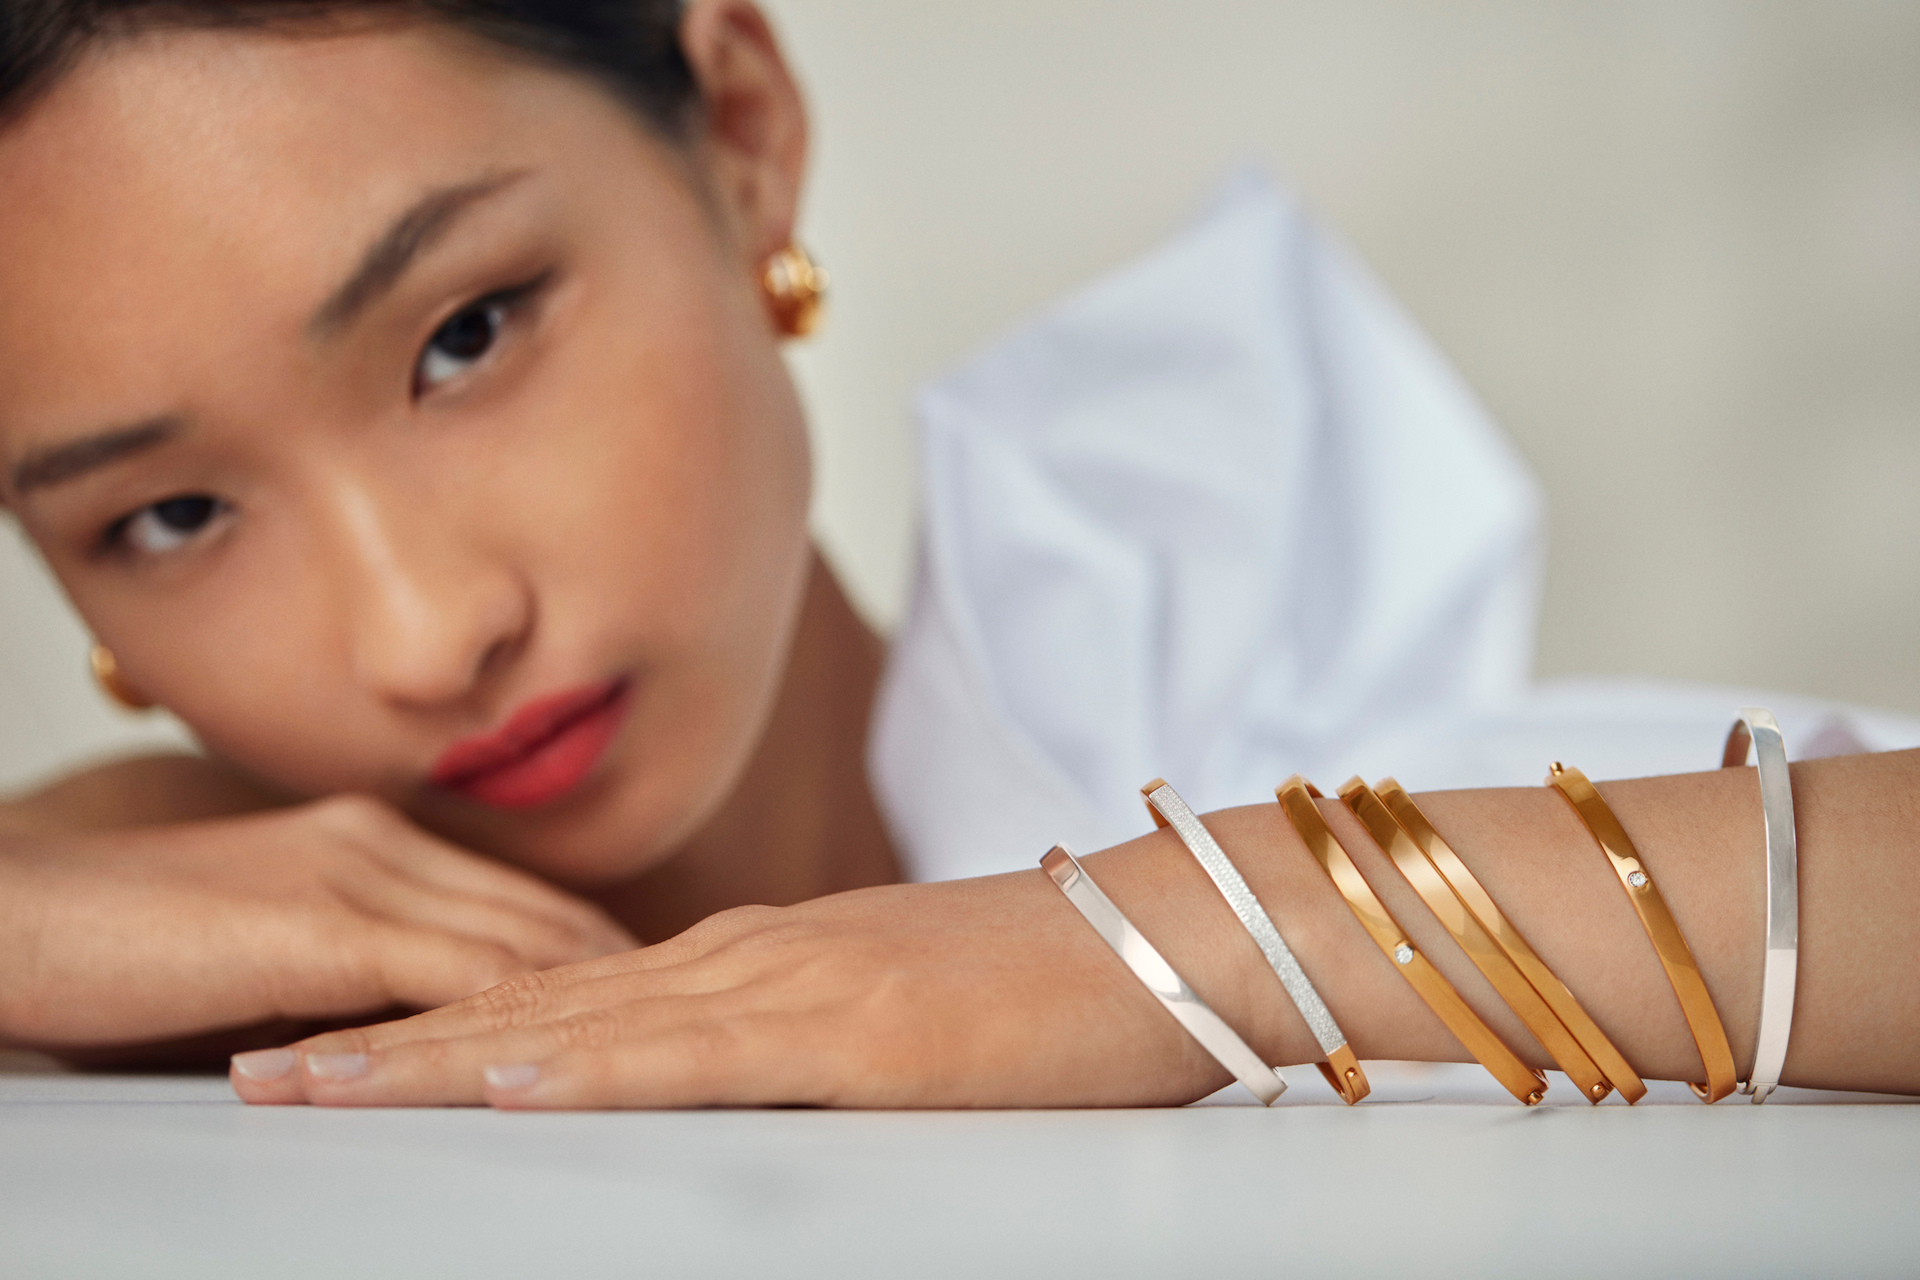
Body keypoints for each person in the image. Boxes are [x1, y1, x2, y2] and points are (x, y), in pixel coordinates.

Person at [0, 0, 1914, 1106]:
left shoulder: (1240, 711)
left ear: (741, 133)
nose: (426, 632)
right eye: (166, 517)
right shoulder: (149, 966)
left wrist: (1197, 937)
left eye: (468, 332)